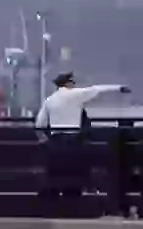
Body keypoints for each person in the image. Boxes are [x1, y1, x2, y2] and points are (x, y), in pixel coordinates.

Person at [36, 72, 130, 202]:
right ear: (68, 83)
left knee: (56, 174)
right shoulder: (77, 95)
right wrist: (119, 87)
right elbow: (97, 89)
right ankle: (74, 201)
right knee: (76, 174)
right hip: (74, 141)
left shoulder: (49, 100)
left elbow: (39, 124)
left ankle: (52, 201)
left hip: (56, 142)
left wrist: (43, 139)